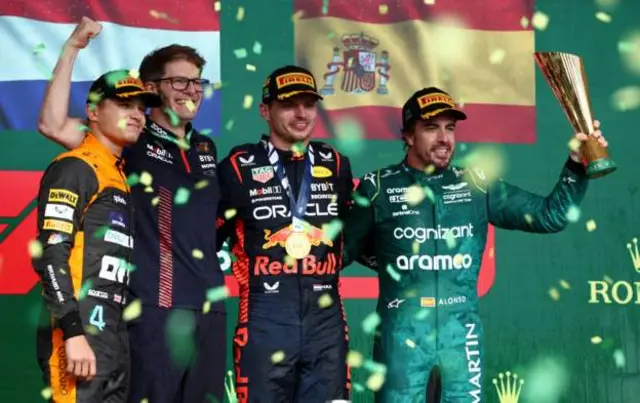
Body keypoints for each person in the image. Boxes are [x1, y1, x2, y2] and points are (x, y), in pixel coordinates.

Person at [343, 87, 607, 402]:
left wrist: (576, 166)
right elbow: (343, 250)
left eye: (450, 128)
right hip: (402, 335)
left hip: (461, 334)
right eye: (431, 127)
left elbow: (551, 216)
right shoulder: (378, 187)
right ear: (409, 136)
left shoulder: (476, 184)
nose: (444, 138)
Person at [37, 16, 227, 403]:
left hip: (209, 308)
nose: (191, 90)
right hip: (152, 310)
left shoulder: (207, 149)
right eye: (179, 81)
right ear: (153, 87)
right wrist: (72, 48)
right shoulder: (128, 143)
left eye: (196, 82)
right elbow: (53, 124)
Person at [216, 65, 353, 403]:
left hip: (327, 324)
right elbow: (203, 240)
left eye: (308, 103)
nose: (301, 113)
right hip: (265, 318)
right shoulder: (238, 166)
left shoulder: (335, 164)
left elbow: (355, 234)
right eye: (289, 104)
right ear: (265, 110)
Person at [32, 65, 161, 402]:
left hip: (113, 337)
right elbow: (51, 254)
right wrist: (73, 332)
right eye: (124, 105)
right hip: (76, 333)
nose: (136, 115)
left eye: (140, 108)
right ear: (92, 111)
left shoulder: (119, 175)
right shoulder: (76, 167)